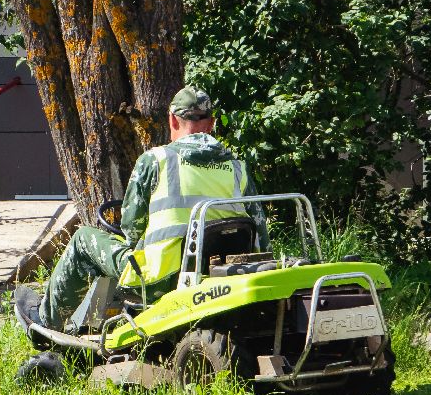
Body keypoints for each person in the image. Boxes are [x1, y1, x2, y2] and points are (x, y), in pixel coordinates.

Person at [21, 86, 268, 332]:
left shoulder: (155, 161)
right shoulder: (238, 169)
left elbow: (131, 229)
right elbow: (261, 235)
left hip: (161, 280)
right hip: (221, 279)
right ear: (212, 123)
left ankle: (46, 323)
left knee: (83, 239)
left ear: (172, 119)